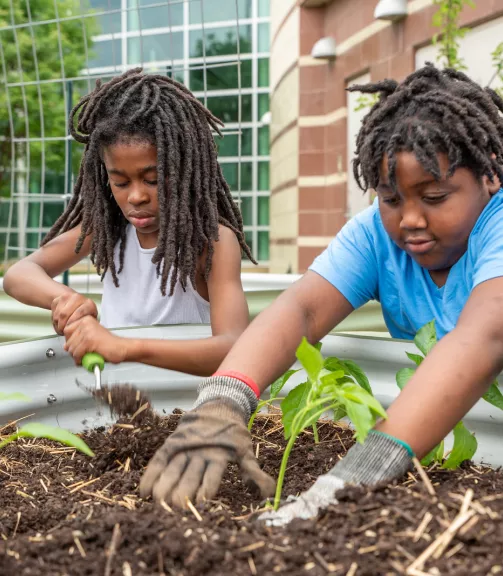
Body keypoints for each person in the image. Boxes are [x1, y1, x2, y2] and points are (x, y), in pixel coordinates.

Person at [138, 63, 503, 521]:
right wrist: (223, 399)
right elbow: (303, 308)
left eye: (434, 198)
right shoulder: (377, 236)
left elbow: (482, 338)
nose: (409, 219)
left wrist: (355, 477)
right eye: (391, 199)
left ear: (490, 173)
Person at [3, 68, 252, 377]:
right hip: (120, 414)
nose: (136, 197)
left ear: (184, 168)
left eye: (153, 180)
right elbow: (18, 274)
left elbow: (236, 347)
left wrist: (125, 346)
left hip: (188, 409)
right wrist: (64, 299)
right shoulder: (108, 229)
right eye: (120, 183)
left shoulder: (211, 242)